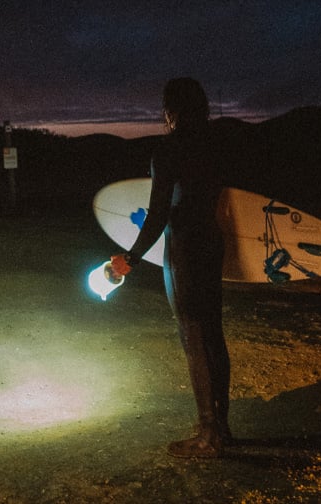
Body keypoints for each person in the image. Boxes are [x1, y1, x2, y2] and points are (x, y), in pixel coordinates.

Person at [110, 77, 231, 458]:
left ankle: (208, 436)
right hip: (211, 242)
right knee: (212, 333)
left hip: (184, 249)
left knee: (193, 336)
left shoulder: (168, 150)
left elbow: (159, 213)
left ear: (170, 110)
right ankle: (221, 427)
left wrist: (129, 258)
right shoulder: (217, 144)